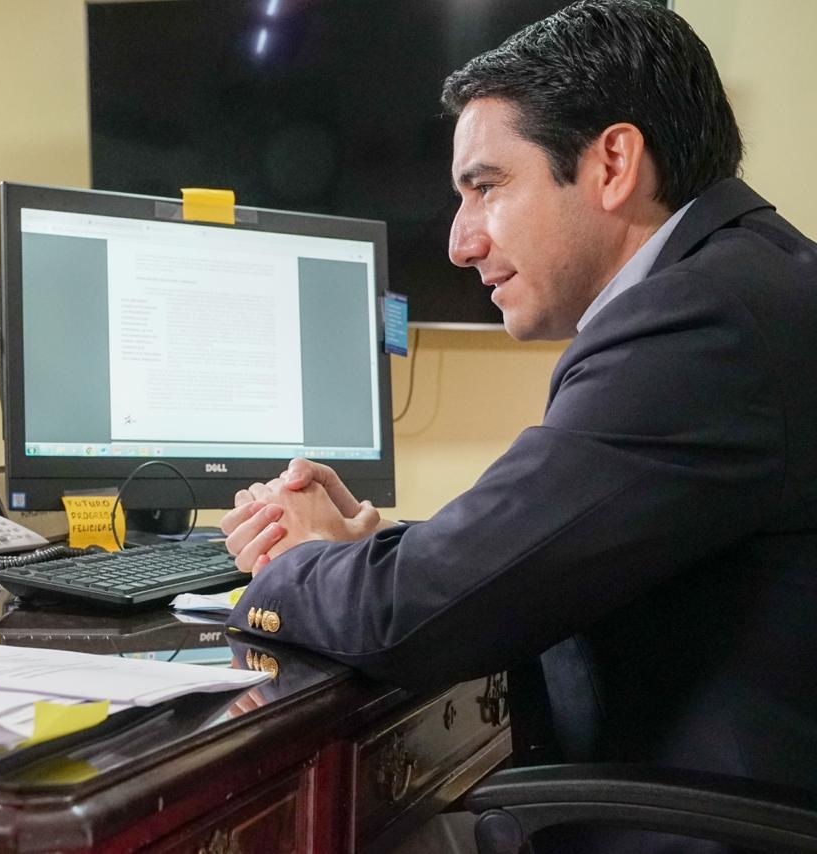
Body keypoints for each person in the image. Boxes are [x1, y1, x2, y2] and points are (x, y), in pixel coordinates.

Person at [220, 2, 817, 850]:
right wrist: (374, 554)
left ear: (612, 163)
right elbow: (548, 549)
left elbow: (418, 616)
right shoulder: (752, 279)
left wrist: (295, 567)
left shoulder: (701, 323)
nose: (460, 242)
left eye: (487, 187)